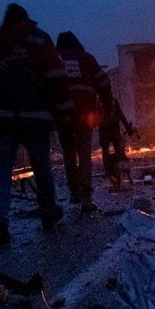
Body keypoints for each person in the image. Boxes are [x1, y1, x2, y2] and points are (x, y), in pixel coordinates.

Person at [0, 3, 72, 247]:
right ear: (27, 20)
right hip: (35, 118)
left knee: (2, 169)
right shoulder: (39, 40)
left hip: (2, 120)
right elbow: (57, 77)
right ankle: (48, 212)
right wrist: (64, 112)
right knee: (42, 165)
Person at [54, 31, 112, 212]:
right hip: (85, 114)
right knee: (84, 154)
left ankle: (75, 193)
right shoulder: (86, 58)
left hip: (62, 115)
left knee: (69, 154)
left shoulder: (55, 58)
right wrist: (107, 107)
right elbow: (104, 83)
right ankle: (87, 197)